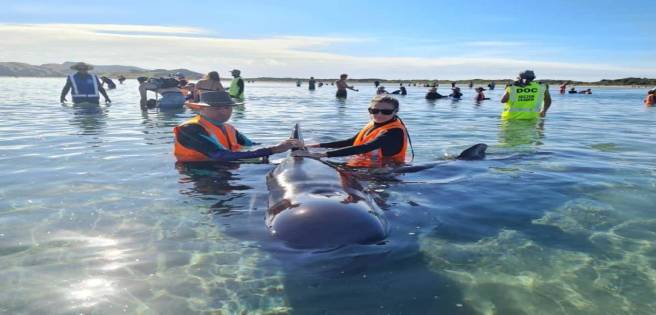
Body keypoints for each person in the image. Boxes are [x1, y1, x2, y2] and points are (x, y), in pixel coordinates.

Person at [174, 91, 300, 162]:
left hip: (228, 171)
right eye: (216, 108)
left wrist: (290, 144)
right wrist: (274, 150)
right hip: (199, 176)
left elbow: (252, 146)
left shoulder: (229, 128)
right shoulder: (190, 129)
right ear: (201, 108)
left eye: (227, 107)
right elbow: (219, 155)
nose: (223, 112)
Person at [292, 95, 410, 166]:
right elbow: (350, 141)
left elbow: (366, 147)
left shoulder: (395, 131)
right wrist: (314, 146)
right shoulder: (374, 124)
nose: (379, 114)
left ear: (395, 112)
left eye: (386, 112)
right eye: (374, 111)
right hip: (366, 164)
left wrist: (319, 155)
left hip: (386, 171)